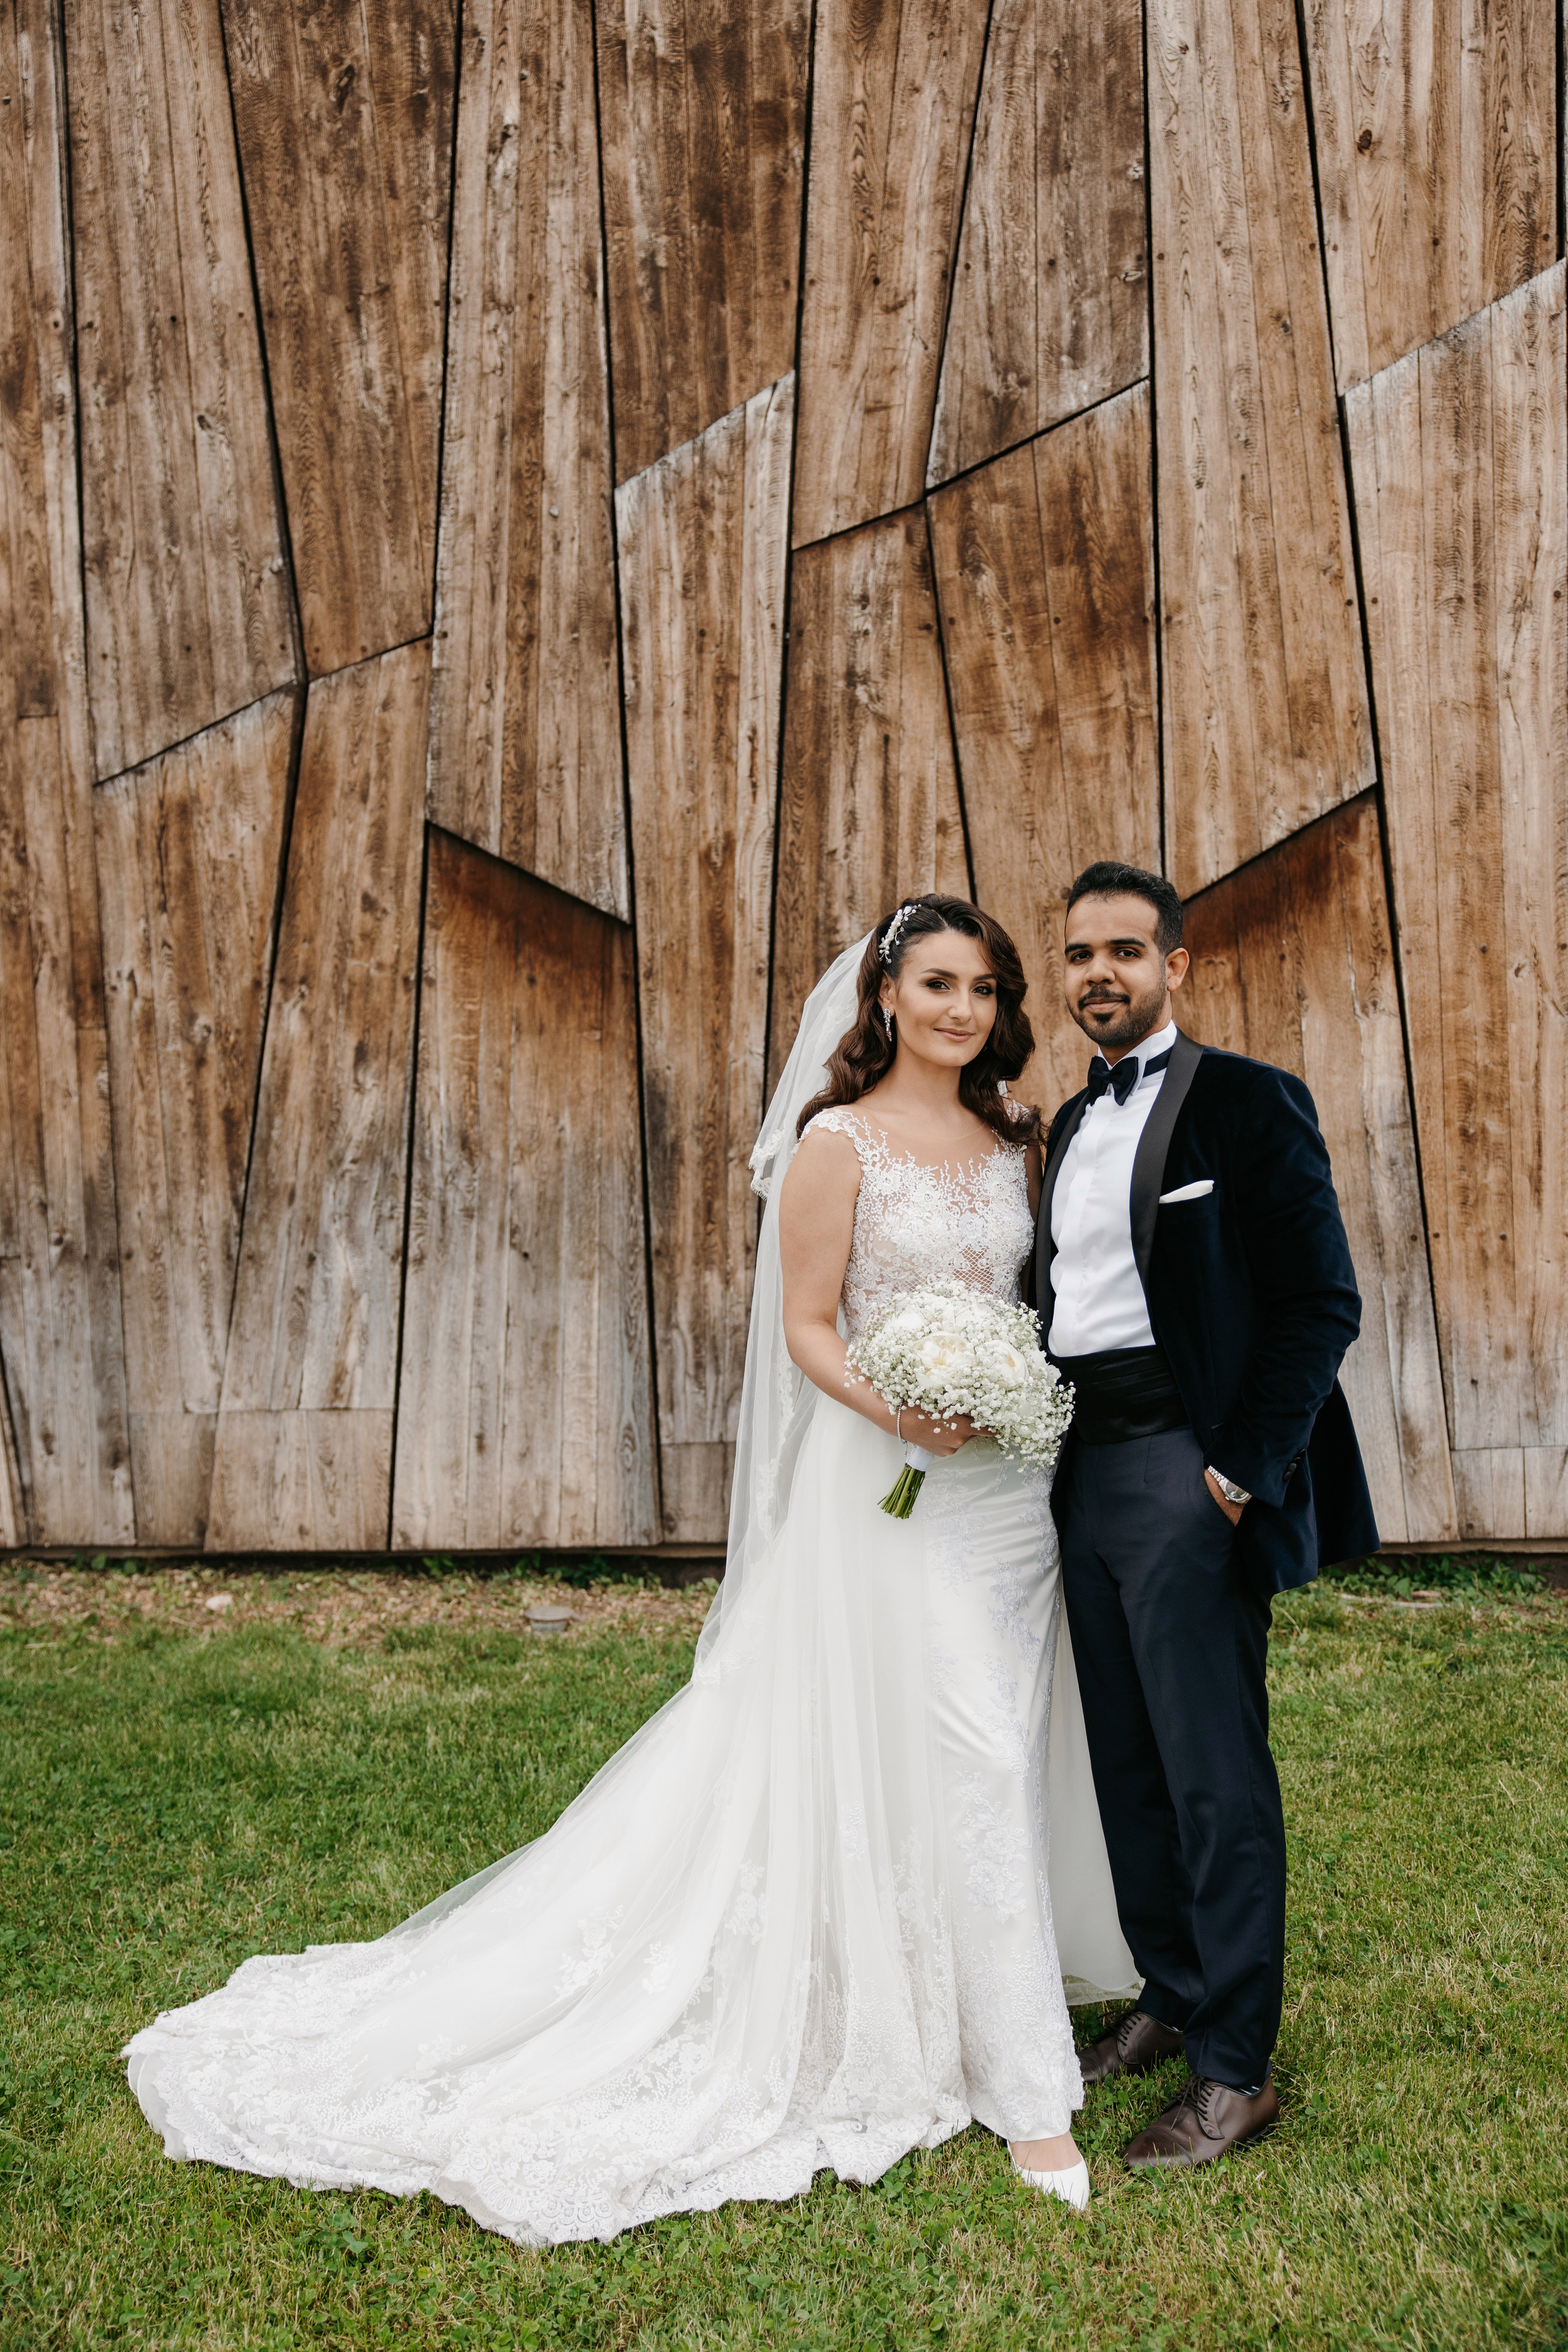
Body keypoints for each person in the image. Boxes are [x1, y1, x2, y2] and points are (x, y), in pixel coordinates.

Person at [124, 894, 1136, 2245]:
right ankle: (1028, 2094)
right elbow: (807, 1329)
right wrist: (904, 1407)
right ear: (885, 994)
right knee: (976, 1749)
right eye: (938, 983)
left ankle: (939, 1985)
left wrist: (1001, 1399)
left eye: (983, 989)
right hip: (889, 1484)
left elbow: (1030, 1309)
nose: (962, 1009)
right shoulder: (836, 1146)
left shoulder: (1013, 1141)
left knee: (989, 1741)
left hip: (1006, 1492)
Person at [1038, 860, 1378, 2169]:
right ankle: (1170, 1995)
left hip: (1189, 1470)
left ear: (1175, 966)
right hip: (1081, 1469)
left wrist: (1233, 1471)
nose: (1097, 975)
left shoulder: (1246, 1103)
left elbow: (1318, 1303)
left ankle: (1237, 2067)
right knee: (1125, 1763)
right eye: (1078, 954)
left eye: (1124, 951)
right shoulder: (1068, 1130)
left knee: (1211, 1775)